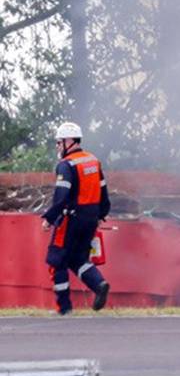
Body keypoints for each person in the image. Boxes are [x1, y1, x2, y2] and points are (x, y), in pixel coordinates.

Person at [41, 122, 111, 315]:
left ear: (69, 141)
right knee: (78, 258)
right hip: (90, 219)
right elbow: (103, 190)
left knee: (57, 261)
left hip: (70, 219)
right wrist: (102, 214)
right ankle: (99, 285)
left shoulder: (66, 165)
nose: (57, 146)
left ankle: (64, 309)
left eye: (59, 142)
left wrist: (49, 218)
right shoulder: (93, 161)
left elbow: (61, 196)